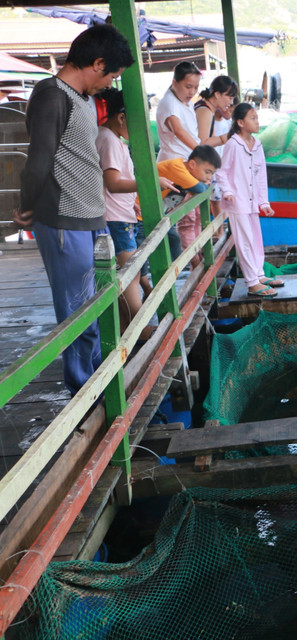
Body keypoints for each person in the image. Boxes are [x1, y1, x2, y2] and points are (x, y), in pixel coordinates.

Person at [15, 24, 134, 396]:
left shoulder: (81, 97)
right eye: (112, 74)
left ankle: (97, 379)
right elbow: (39, 159)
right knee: (77, 313)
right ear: (97, 63)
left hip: (91, 217)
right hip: (65, 218)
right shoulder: (52, 94)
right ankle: (84, 391)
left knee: (95, 306)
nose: (110, 83)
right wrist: (25, 206)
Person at [96, 88, 174, 337]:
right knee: (131, 281)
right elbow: (113, 183)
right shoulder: (108, 140)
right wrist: (151, 184)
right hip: (116, 221)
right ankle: (138, 330)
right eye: (137, 122)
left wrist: (133, 202)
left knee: (124, 279)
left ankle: (127, 332)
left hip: (122, 216)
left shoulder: (113, 139)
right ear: (121, 118)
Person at [219, 103, 282, 298]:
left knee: (255, 238)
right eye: (252, 118)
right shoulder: (233, 144)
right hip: (237, 201)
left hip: (252, 200)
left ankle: (259, 274)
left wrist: (264, 202)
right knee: (244, 240)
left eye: (257, 117)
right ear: (240, 122)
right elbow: (222, 171)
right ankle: (252, 282)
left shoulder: (258, 145)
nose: (257, 121)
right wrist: (227, 191)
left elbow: (261, 175)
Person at [156, 61, 202, 260]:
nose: (192, 91)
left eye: (195, 87)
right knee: (180, 218)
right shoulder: (169, 102)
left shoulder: (186, 101)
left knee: (194, 215)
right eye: (188, 86)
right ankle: (187, 262)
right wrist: (202, 151)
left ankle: (195, 257)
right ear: (175, 82)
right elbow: (179, 131)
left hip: (188, 164)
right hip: (174, 165)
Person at [188, 75, 238, 253]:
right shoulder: (205, 111)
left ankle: (201, 251)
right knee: (191, 219)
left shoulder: (206, 108)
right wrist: (225, 138)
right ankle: (199, 254)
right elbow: (201, 144)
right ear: (217, 94)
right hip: (193, 167)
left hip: (197, 167)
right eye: (229, 97)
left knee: (196, 216)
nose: (230, 102)